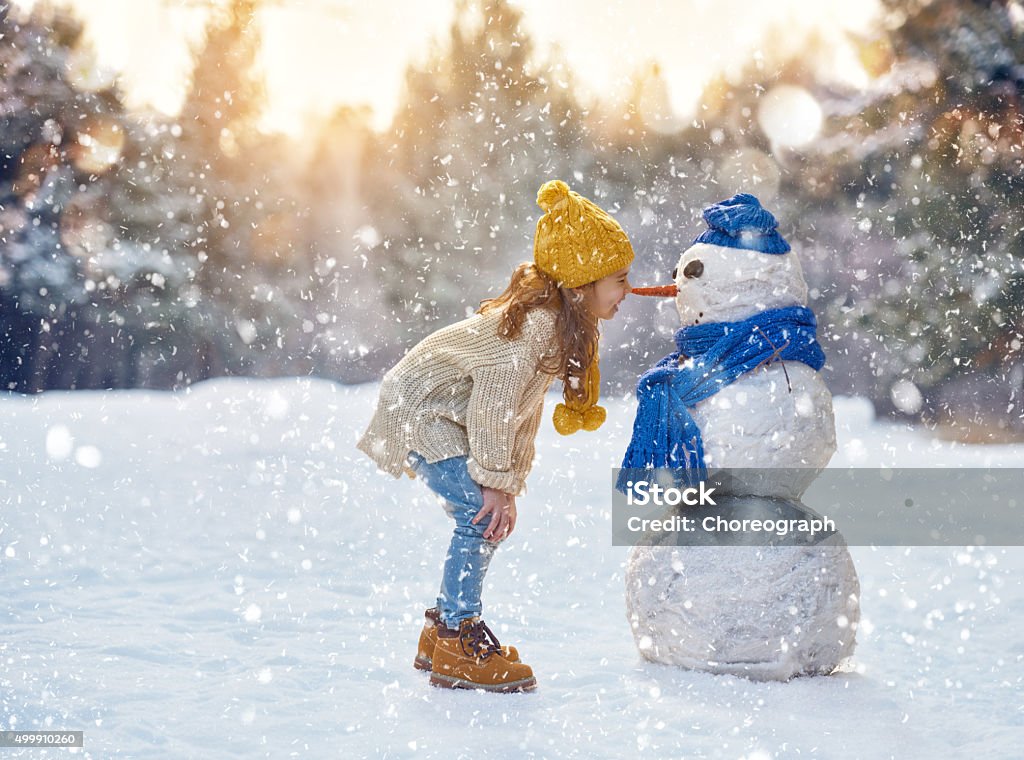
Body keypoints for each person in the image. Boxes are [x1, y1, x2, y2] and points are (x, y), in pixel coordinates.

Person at [356, 179, 634, 692]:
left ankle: (440, 632)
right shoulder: (536, 327)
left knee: (485, 514)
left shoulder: (558, 325)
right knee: (479, 517)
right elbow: (493, 406)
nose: (628, 290)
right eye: (618, 279)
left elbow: (519, 415)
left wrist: (508, 480)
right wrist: (494, 484)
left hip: (445, 413)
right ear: (582, 283)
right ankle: (459, 637)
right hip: (422, 410)